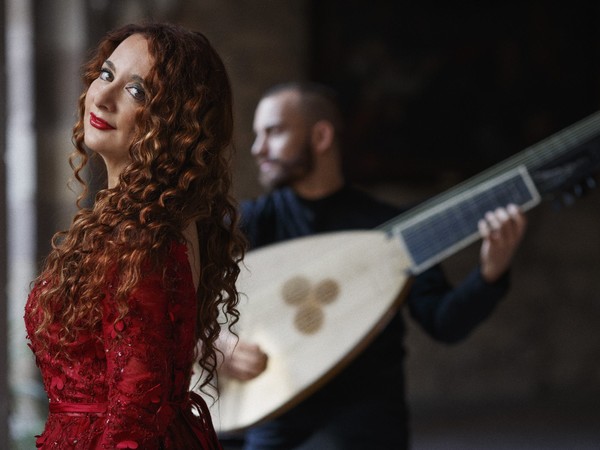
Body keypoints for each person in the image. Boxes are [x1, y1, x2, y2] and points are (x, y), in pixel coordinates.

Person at [218, 81, 527, 450]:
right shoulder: (252, 223)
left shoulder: (391, 230)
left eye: (274, 132)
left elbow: (443, 322)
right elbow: (177, 291)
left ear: (320, 136)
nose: (258, 148)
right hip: (276, 410)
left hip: (363, 417)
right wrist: (218, 342)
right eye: (257, 135)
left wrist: (490, 274)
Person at [24, 22, 245, 449]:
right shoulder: (145, 223)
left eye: (137, 91)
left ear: (174, 124)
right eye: (106, 75)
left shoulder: (142, 242)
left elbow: (134, 418)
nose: (102, 96)